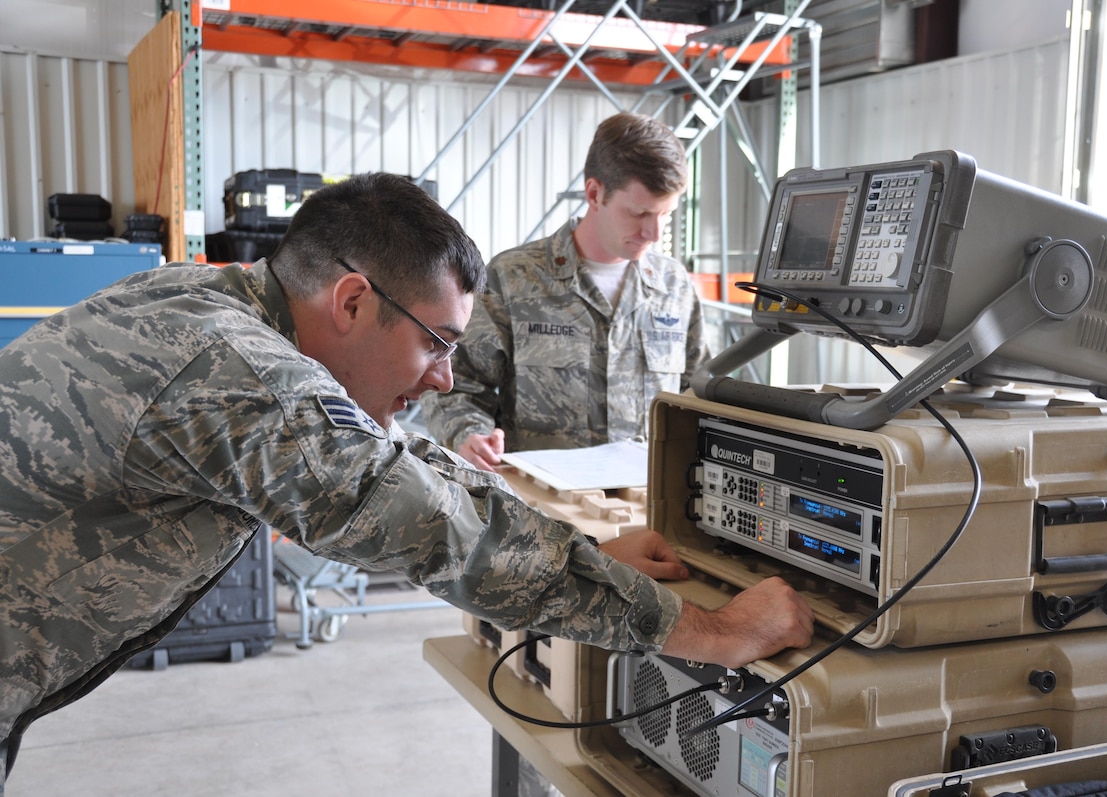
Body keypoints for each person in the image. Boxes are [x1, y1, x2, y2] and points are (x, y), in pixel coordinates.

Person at [0, 172, 814, 788]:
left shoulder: (217, 304)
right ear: (353, 300)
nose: (444, 380)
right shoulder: (242, 371)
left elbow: (392, 456)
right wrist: (714, 633)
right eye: (437, 341)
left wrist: (580, 546)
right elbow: (433, 526)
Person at [421, 112, 709, 471]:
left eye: (666, 215)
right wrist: (468, 435)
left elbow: (701, 394)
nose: (654, 232)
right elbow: (456, 383)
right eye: (639, 213)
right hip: (542, 509)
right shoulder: (514, 278)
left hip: (648, 502)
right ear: (594, 193)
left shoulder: (673, 286)